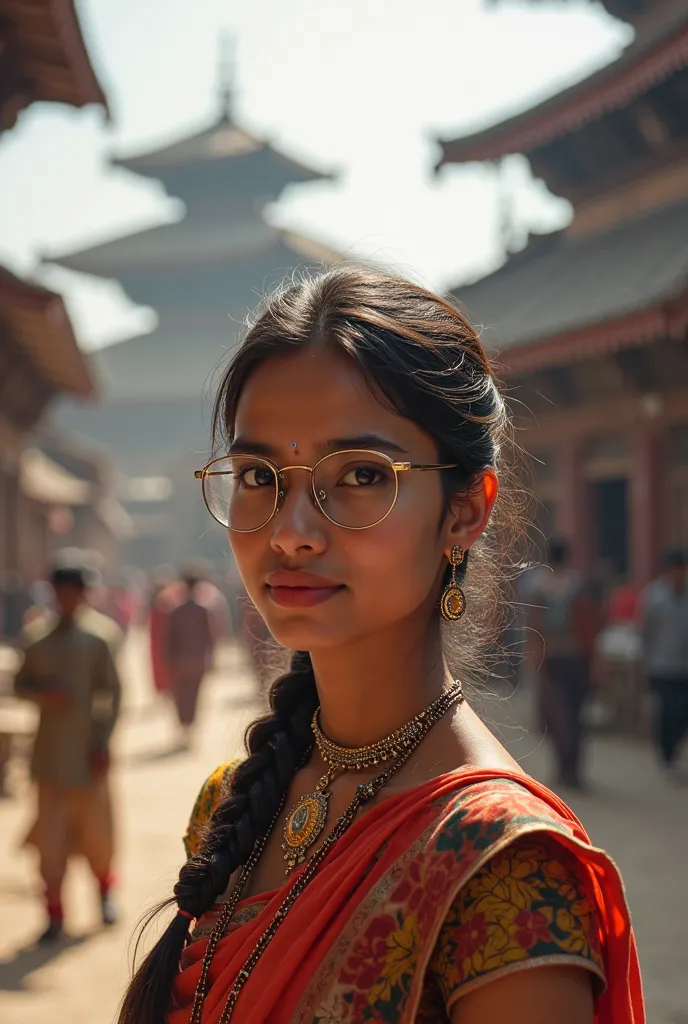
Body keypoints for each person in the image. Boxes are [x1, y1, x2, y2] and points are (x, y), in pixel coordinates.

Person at [118, 268, 644, 1024]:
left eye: (361, 474)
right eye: (260, 475)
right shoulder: (232, 808)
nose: (291, 530)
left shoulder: (505, 869)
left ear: (466, 511)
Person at [13, 554, 123, 942]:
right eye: (60, 591)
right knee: (51, 845)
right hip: (49, 760)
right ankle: (55, 915)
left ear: (83, 593)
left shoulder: (100, 637)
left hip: (88, 756)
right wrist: (44, 693)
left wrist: (104, 742)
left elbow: (113, 694)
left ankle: (106, 896)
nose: (67, 598)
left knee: (98, 836)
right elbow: (19, 685)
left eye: (73, 591)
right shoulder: (37, 638)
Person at [529, 539, 598, 790]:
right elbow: (590, 626)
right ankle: (572, 771)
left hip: (552, 659)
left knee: (558, 716)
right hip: (577, 658)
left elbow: (534, 629)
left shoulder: (538, 588)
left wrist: (534, 659)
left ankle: (564, 768)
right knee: (576, 717)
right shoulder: (578, 586)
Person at [640, 548, 688, 780]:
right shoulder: (654, 597)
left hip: (685, 667)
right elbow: (646, 632)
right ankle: (667, 757)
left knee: (683, 714)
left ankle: (676, 751)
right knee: (669, 713)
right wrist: (645, 663)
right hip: (662, 666)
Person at [165, 568, 217, 745]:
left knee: (181, 695)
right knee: (194, 695)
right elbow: (210, 637)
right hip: (198, 660)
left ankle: (184, 726)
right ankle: (190, 728)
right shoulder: (203, 610)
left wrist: (168, 659)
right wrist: (211, 659)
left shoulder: (176, 610)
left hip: (180, 661)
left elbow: (170, 638)